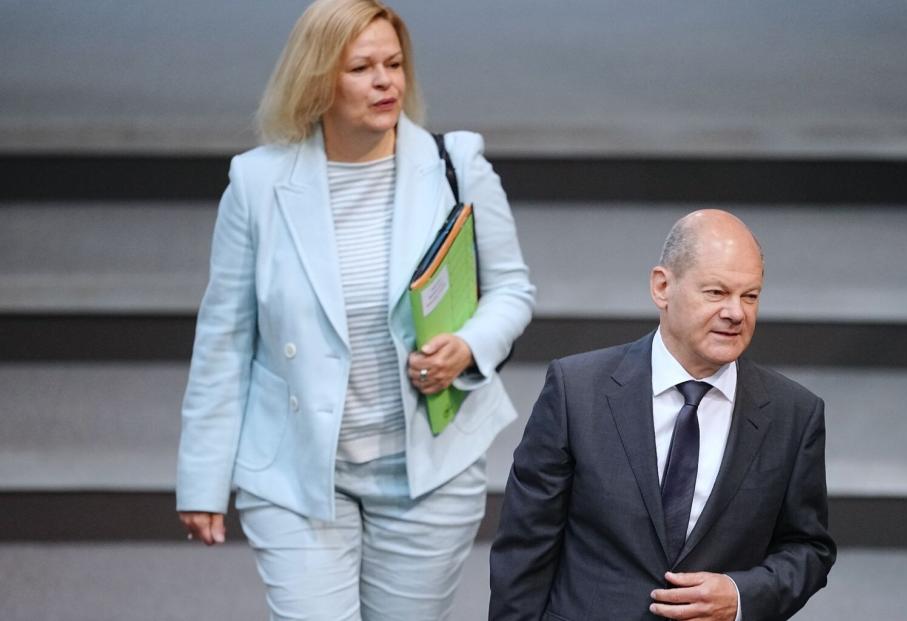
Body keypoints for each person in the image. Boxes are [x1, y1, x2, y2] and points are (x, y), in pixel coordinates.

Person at [175, 0, 535, 618]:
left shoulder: (456, 165)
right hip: (295, 468)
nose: (385, 81)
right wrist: (202, 478)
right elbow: (225, 338)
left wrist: (469, 347)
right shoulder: (258, 184)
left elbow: (512, 289)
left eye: (394, 64)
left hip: (430, 470)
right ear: (318, 79)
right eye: (362, 68)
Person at [489, 210, 835, 621]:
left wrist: (742, 595)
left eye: (750, 296)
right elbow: (525, 548)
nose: (736, 313)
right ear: (662, 287)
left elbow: (809, 549)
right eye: (716, 292)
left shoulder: (793, 414)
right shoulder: (576, 391)